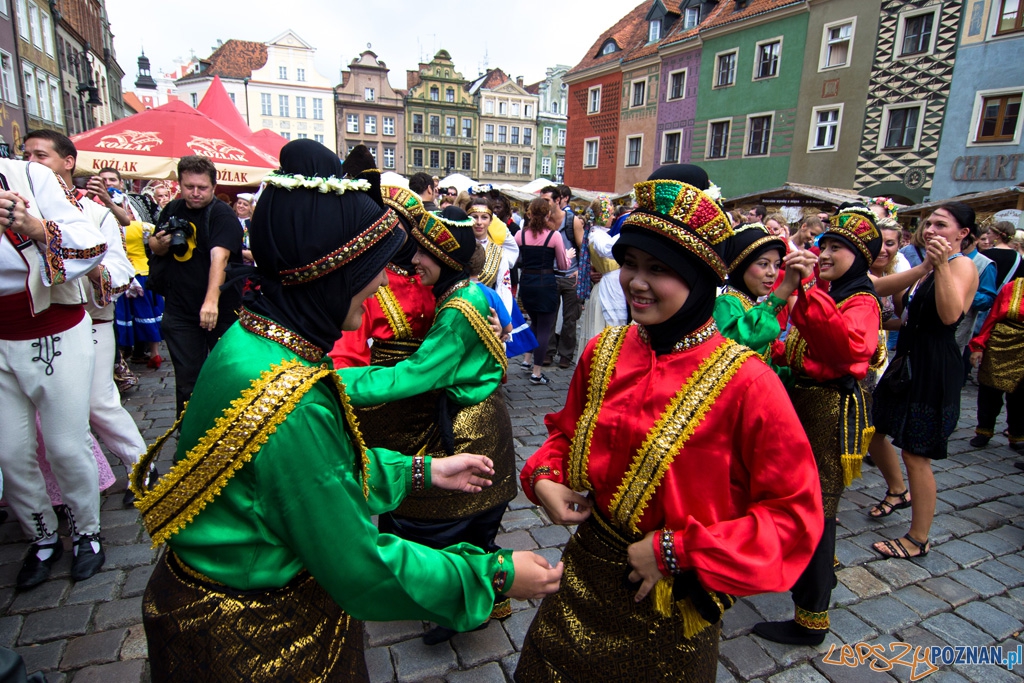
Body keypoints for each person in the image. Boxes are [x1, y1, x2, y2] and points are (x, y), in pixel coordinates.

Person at [134, 140, 562, 681]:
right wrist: (494, 576)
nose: (387, 281)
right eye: (375, 267)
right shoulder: (290, 398)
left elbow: (317, 476)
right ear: (329, 271)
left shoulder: (256, 338)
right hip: (256, 637)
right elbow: (358, 565)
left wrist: (420, 469)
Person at [517, 165, 823, 681]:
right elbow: (566, 432)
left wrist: (678, 550)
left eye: (658, 268)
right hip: (579, 582)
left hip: (668, 607)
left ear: (700, 277)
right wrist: (544, 476)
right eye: (630, 262)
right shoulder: (606, 350)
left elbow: (794, 518)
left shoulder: (748, 384)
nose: (636, 281)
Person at [338, 206, 524, 644]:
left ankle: (464, 605)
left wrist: (336, 382)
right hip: (477, 417)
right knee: (476, 519)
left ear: (444, 256)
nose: (413, 261)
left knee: (457, 519)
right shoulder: (460, 292)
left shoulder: (459, 303)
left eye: (422, 253)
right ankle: (488, 601)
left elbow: (419, 373)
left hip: (470, 425)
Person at [753, 206, 883, 646]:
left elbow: (846, 350)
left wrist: (805, 289)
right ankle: (808, 573)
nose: (824, 253)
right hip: (812, 403)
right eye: (824, 244)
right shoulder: (841, 293)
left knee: (820, 509)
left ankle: (812, 618)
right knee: (810, 500)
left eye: (837, 248)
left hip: (829, 409)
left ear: (860, 256)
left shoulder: (860, 300)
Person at [23, 129, 148, 509]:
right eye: (24, 154)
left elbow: (121, 270)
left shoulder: (93, 212)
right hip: (27, 328)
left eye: (40, 155)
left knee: (98, 402)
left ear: (67, 162)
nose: (30, 162)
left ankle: (142, 466)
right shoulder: (16, 208)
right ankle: (55, 496)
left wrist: (91, 270)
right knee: (37, 420)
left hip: (90, 321)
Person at [0, 155, 108, 589]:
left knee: (65, 443)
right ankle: (42, 537)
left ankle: (87, 532)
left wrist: (32, 225)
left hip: (52, 329)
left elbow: (91, 242)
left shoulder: (30, 175)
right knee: (10, 453)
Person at [868, 203, 980, 559]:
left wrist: (941, 265)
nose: (931, 229)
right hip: (909, 361)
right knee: (875, 429)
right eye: (928, 223)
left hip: (934, 368)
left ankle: (918, 539)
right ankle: (898, 490)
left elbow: (950, 315)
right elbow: (899, 306)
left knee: (917, 453)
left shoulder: (960, 265)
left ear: (962, 234)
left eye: (941, 225)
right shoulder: (927, 267)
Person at [147, 155, 244, 417]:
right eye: (189, 187)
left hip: (221, 309)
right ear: (180, 184)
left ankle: (227, 428)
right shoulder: (172, 209)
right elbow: (154, 246)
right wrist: (161, 243)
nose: (195, 193)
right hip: (180, 308)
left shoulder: (222, 214)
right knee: (187, 379)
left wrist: (210, 301)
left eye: (202, 187)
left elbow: (220, 258)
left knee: (227, 374)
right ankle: (188, 433)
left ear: (214, 186)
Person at [714, 223, 797, 371]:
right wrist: (784, 289)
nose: (772, 272)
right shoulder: (726, 302)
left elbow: (770, 358)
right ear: (741, 266)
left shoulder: (753, 304)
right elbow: (740, 347)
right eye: (763, 264)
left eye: (777, 265)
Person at [516, 198, 571, 385]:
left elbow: (515, 259)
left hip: (527, 284)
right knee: (544, 328)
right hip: (545, 283)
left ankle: (526, 360)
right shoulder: (553, 236)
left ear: (529, 214)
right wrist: (569, 256)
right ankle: (537, 373)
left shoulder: (520, 235)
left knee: (535, 322)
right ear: (548, 214)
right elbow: (563, 266)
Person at [970, 276, 1024, 451]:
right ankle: (983, 431)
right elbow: (992, 317)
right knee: (989, 391)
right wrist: (979, 345)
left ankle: (1017, 435)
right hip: (999, 345)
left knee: (1019, 395)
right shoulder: (1012, 287)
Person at [539, 185, 584, 368]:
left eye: (547, 200)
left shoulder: (573, 221)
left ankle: (566, 354)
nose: (544, 204)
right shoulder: (543, 221)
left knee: (569, 318)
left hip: (570, 276)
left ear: (558, 200)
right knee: (549, 316)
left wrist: (580, 270)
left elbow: (583, 249)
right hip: (550, 275)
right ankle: (548, 352)